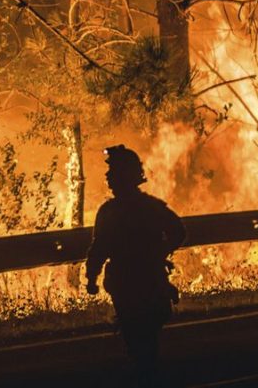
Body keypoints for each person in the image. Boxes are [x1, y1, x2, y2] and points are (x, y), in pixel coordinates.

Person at [85, 144, 186, 384]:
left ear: (124, 175)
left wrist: (91, 277)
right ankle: (146, 371)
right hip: (141, 279)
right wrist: (161, 253)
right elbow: (178, 232)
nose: (108, 177)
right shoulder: (148, 208)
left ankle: (144, 372)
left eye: (113, 172)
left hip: (130, 281)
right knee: (143, 332)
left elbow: (99, 248)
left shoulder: (111, 212)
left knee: (137, 330)